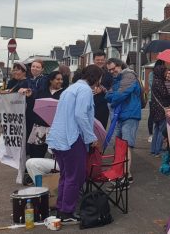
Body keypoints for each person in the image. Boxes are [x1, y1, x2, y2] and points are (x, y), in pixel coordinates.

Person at [46, 64, 102, 222]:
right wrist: (91, 137)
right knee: (75, 176)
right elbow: (80, 115)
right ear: (96, 78)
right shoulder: (85, 90)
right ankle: (67, 211)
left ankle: (61, 207)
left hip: (58, 137)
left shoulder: (69, 89)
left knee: (65, 175)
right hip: (71, 138)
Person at [105, 58, 141, 186]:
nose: (112, 71)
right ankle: (122, 174)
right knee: (119, 146)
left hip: (130, 115)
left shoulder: (129, 75)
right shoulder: (118, 78)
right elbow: (107, 95)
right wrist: (114, 97)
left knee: (125, 146)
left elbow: (119, 95)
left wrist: (114, 99)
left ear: (120, 65)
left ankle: (126, 176)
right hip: (121, 116)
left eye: (113, 68)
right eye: (109, 70)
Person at [28, 71, 64, 160]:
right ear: (51, 80)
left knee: (56, 155)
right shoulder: (41, 92)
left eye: (61, 79)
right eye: (57, 79)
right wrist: (29, 97)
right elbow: (34, 107)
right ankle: (35, 172)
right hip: (41, 128)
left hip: (55, 128)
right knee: (37, 153)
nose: (60, 81)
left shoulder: (64, 93)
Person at [92, 51, 113, 129]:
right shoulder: (88, 71)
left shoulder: (109, 73)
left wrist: (102, 89)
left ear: (105, 60)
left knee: (101, 127)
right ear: (93, 60)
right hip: (89, 103)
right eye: (98, 60)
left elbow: (112, 87)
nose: (100, 61)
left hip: (103, 105)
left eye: (102, 60)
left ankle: (101, 141)